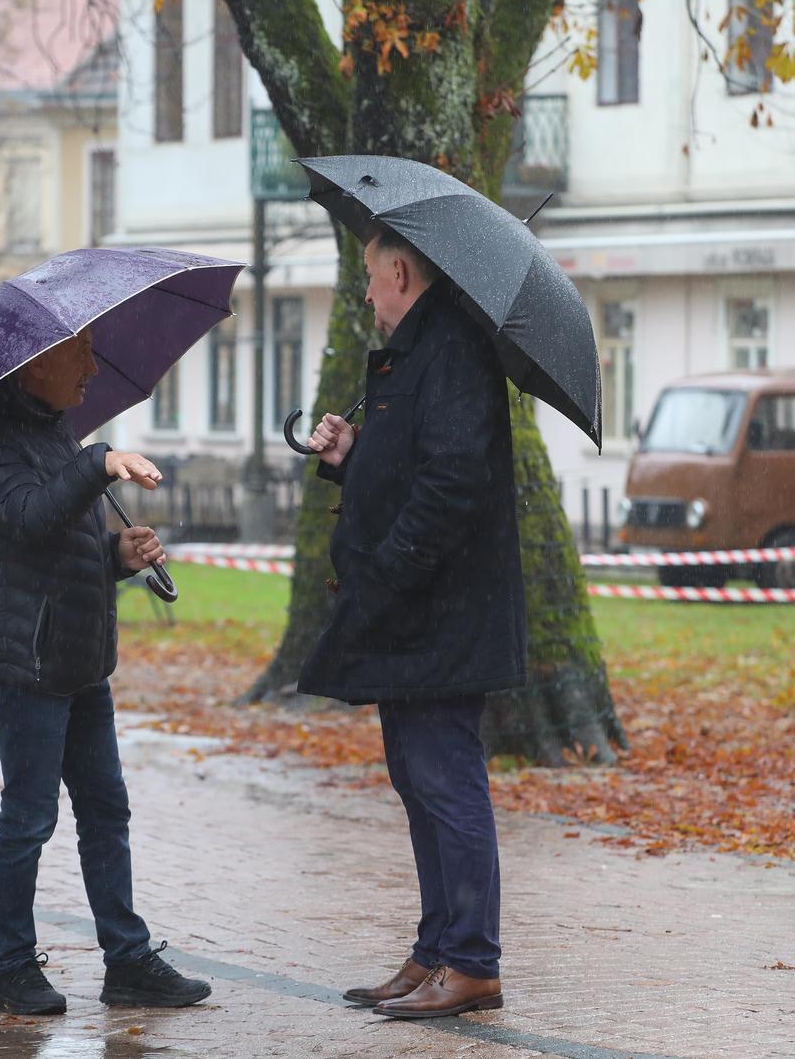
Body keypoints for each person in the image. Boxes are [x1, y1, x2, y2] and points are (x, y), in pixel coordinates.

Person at [0, 326, 211, 1016]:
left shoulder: (52, 433)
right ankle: (11, 970)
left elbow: (60, 546)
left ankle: (127, 960)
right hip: (30, 662)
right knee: (29, 818)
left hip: (79, 656)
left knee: (105, 811)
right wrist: (98, 463)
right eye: (81, 353)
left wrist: (114, 554)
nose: (93, 367)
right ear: (36, 364)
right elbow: (29, 519)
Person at [302, 228, 527, 1019]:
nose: (366, 292)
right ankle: (437, 951)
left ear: (400, 270)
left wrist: (385, 575)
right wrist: (352, 453)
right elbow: (411, 469)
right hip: (415, 616)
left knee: (445, 780)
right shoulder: (417, 354)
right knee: (417, 779)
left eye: (369, 276)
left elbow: (452, 486)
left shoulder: (453, 352)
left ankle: (471, 962)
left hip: (440, 614)